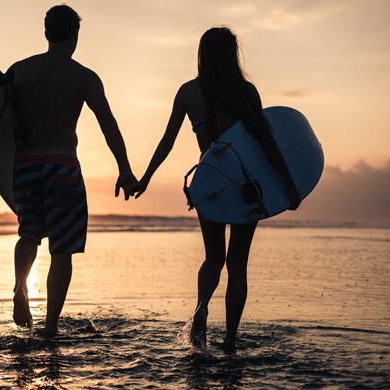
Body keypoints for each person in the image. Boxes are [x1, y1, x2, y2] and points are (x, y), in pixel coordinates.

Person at [128, 27, 300, 353]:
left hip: (210, 185)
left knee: (213, 258)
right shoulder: (246, 92)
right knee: (237, 264)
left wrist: (146, 178)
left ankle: (201, 309)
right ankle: (231, 340)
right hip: (246, 184)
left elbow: (167, 141)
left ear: (202, 54)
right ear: (233, 54)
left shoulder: (188, 92)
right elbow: (266, 142)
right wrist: (290, 186)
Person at [7, 5, 136, 337]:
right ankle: (50, 327)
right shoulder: (84, 77)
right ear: (74, 35)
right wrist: (124, 169)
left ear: (47, 32)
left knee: (28, 234)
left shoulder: (18, 72)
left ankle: (21, 287)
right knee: (61, 250)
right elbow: (108, 125)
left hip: (23, 167)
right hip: (62, 167)